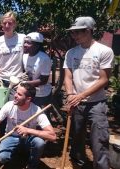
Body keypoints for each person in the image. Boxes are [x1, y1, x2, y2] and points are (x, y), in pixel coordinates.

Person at [63, 16, 114, 169]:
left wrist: (81, 95)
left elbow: (104, 79)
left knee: (99, 140)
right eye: (73, 33)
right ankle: (78, 164)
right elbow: (68, 76)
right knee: (77, 137)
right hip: (77, 103)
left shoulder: (104, 51)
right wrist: (71, 95)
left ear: (90, 31)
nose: (75, 35)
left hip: (97, 103)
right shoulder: (71, 53)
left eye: (79, 32)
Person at [0, 83, 56, 169]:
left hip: (29, 138)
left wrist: (28, 130)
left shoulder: (36, 110)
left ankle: (32, 165)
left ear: (28, 99)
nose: (15, 95)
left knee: (39, 143)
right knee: (2, 157)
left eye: (19, 94)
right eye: (16, 92)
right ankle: (17, 157)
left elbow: (53, 136)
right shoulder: (9, 106)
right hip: (11, 137)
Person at [0, 11, 26, 138]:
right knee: (0, 112)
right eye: (4, 23)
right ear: (1, 24)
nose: (7, 25)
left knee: (14, 111)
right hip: (1, 83)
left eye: (10, 23)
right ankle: (2, 139)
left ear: (15, 24)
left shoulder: (22, 38)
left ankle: (14, 139)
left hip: (17, 82)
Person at [22, 32, 52, 117]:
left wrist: (24, 83)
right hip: (31, 92)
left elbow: (43, 80)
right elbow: (28, 73)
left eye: (29, 43)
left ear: (37, 45)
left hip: (42, 94)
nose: (25, 45)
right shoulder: (25, 56)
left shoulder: (44, 59)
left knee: (42, 118)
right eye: (25, 42)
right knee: (30, 117)